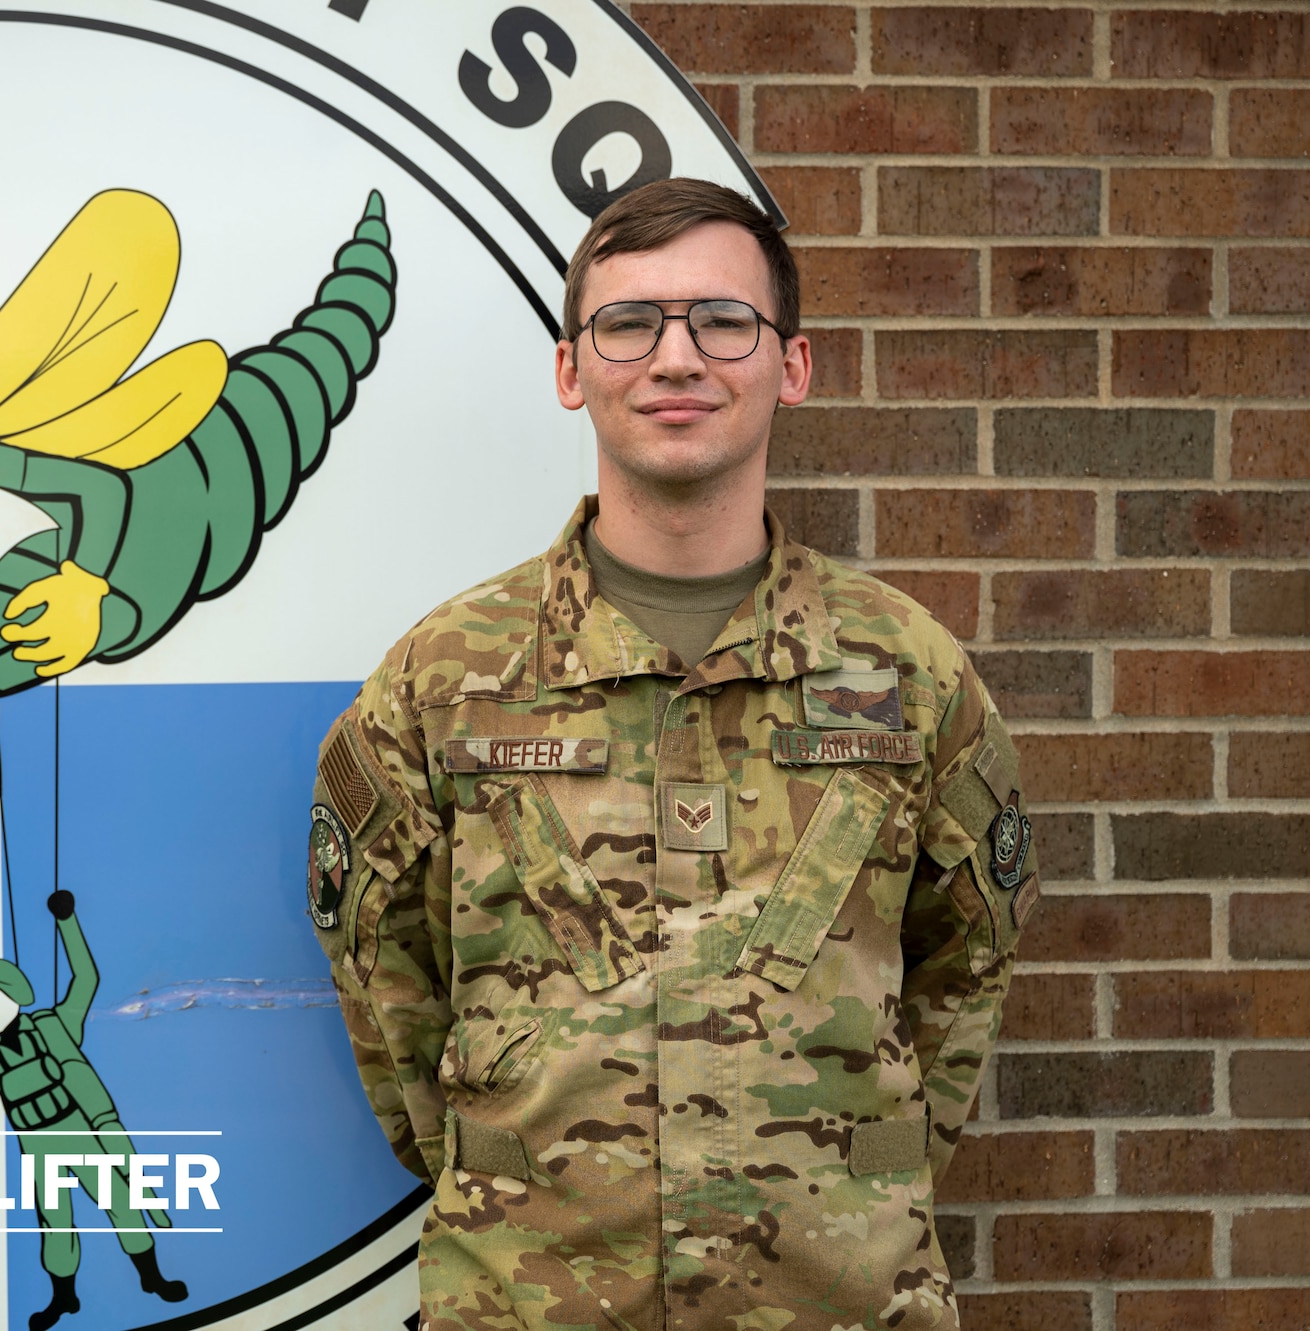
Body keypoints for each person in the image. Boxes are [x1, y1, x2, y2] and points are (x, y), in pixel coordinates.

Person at [308, 177, 1036, 1331]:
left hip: (837, 1301)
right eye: (629, 322)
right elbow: (384, 976)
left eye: (722, 321)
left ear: (790, 364)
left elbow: (968, 958)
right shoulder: (442, 679)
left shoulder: (910, 672)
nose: (676, 358)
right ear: (569, 369)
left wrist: (858, 1169)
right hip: (532, 1296)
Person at [0, 891, 188, 1331]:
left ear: (15, 997)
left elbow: (85, 979)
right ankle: (64, 1299)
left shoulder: (54, 1025)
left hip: (75, 1127)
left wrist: (67, 921)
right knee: (56, 1222)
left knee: (120, 1201)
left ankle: (151, 1278)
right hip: (38, 1145)